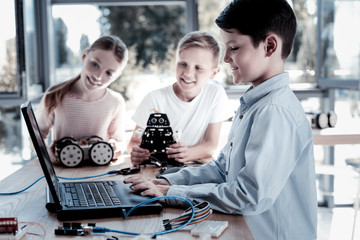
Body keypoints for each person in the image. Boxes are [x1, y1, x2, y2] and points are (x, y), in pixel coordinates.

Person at [124, 0, 318, 239]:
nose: (226, 58)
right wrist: (163, 180)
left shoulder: (274, 111)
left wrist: (173, 191)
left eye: (234, 48)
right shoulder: (255, 104)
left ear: (269, 46)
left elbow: (248, 196)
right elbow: (221, 169)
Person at [128, 31, 232, 165]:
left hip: (195, 169)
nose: (188, 73)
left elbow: (211, 144)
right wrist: (136, 152)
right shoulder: (154, 99)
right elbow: (134, 141)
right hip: (156, 168)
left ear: (214, 73)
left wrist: (188, 154)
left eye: (198, 68)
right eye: (183, 64)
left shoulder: (215, 94)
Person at [36, 35, 128, 163]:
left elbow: (120, 140)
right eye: (95, 64)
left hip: (98, 173)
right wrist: (44, 151)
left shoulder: (115, 102)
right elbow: (36, 135)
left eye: (108, 73)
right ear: (84, 56)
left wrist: (116, 146)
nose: (98, 76)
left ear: (116, 76)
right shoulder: (55, 94)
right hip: (63, 171)